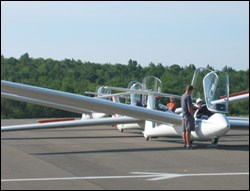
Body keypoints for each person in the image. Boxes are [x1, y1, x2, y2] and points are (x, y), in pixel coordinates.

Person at [181, 85, 195, 149]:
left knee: (184, 130)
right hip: (188, 115)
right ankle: (188, 144)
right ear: (190, 90)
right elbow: (189, 107)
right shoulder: (188, 96)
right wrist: (193, 114)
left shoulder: (182, 96)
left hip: (183, 114)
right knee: (188, 130)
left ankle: (185, 143)